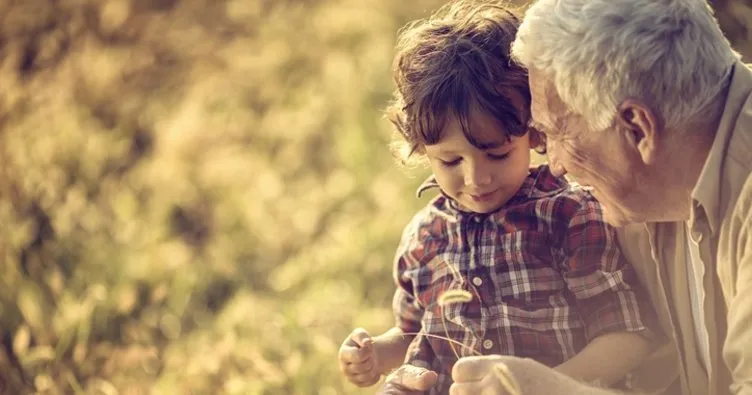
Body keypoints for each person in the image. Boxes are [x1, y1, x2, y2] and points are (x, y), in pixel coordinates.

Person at [387, 0, 752, 394]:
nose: (554, 165)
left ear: (637, 128)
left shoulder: (578, 211)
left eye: (557, 134)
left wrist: (556, 389)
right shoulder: (645, 194)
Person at [337, 1, 656, 394]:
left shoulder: (568, 216)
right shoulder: (424, 239)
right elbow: (416, 338)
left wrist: (546, 385)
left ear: (534, 130)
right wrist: (376, 354)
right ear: (423, 151)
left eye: (498, 153)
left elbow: (628, 339)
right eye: (451, 160)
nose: (477, 178)